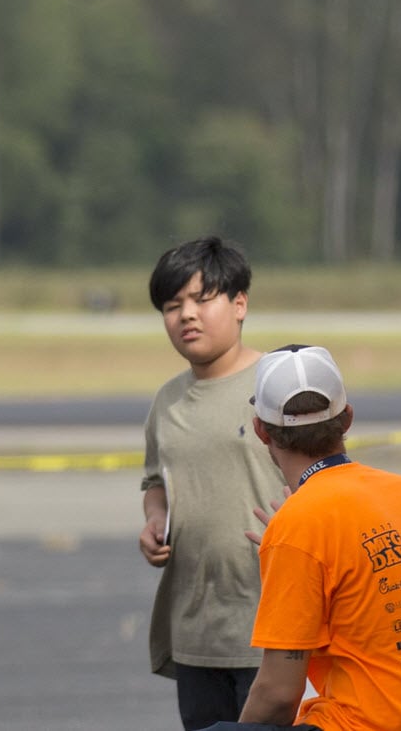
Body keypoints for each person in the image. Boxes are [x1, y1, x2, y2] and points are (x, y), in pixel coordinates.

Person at [216, 346, 401, 731]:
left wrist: (295, 540)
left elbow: (277, 695)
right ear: (348, 419)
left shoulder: (300, 524)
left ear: (260, 429)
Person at [139, 237, 276, 729]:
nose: (186, 316)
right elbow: (156, 481)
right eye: (172, 306)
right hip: (198, 631)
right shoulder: (167, 401)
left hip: (277, 628)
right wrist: (155, 519)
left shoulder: (279, 383)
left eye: (201, 299)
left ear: (239, 304)